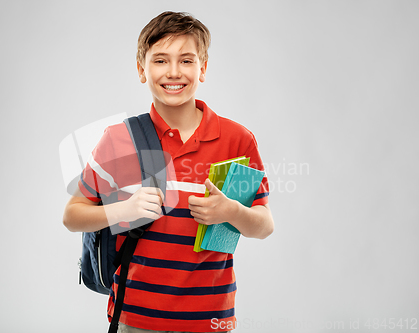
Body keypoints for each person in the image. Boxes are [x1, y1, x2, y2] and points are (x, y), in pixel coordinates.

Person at [63, 11, 274, 333]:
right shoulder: (119, 139)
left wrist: (230, 211)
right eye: (160, 60)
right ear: (141, 70)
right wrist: (123, 210)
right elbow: (73, 215)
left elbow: (263, 226)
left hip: (211, 320)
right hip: (134, 318)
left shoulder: (237, 141)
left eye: (186, 61)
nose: (174, 72)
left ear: (202, 69)